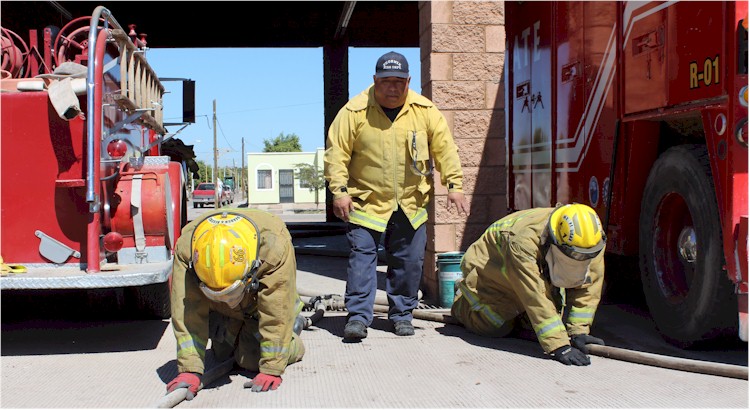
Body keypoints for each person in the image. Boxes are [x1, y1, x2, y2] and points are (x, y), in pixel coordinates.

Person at [324, 51, 470, 340]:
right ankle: (358, 318)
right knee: (362, 260)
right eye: (386, 81)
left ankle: (402, 315)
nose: (393, 87)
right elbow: (336, 154)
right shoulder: (354, 112)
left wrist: (454, 185)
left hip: (410, 203)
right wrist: (339, 192)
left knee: (409, 261)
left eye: (399, 82)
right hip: (365, 202)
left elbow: (445, 149)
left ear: (409, 81)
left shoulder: (425, 111)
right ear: (375, 80)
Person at [165, 209, 306, 398]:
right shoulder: (189, 250)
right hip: (227, 311)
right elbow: (186, 311)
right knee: (222, 353)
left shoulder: (273, 247)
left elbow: (276, 310)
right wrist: (189, 369)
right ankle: (238, 329)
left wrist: (271, 367)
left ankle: (292, 339)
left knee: (249, 359)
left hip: (257, 306)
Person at [451, 203, 607, 366]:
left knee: (538, 325)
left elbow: (589, 283)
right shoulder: (523, 241)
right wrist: (559, 345)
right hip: (491, 268)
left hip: (526, 270)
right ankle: (462, 304)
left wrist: (578, 331)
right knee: (495, 325)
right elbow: (534, 295)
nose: (579, 258)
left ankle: (519, 316)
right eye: (574, 254)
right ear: (554, 239)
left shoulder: (591, 241)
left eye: (584, 255)